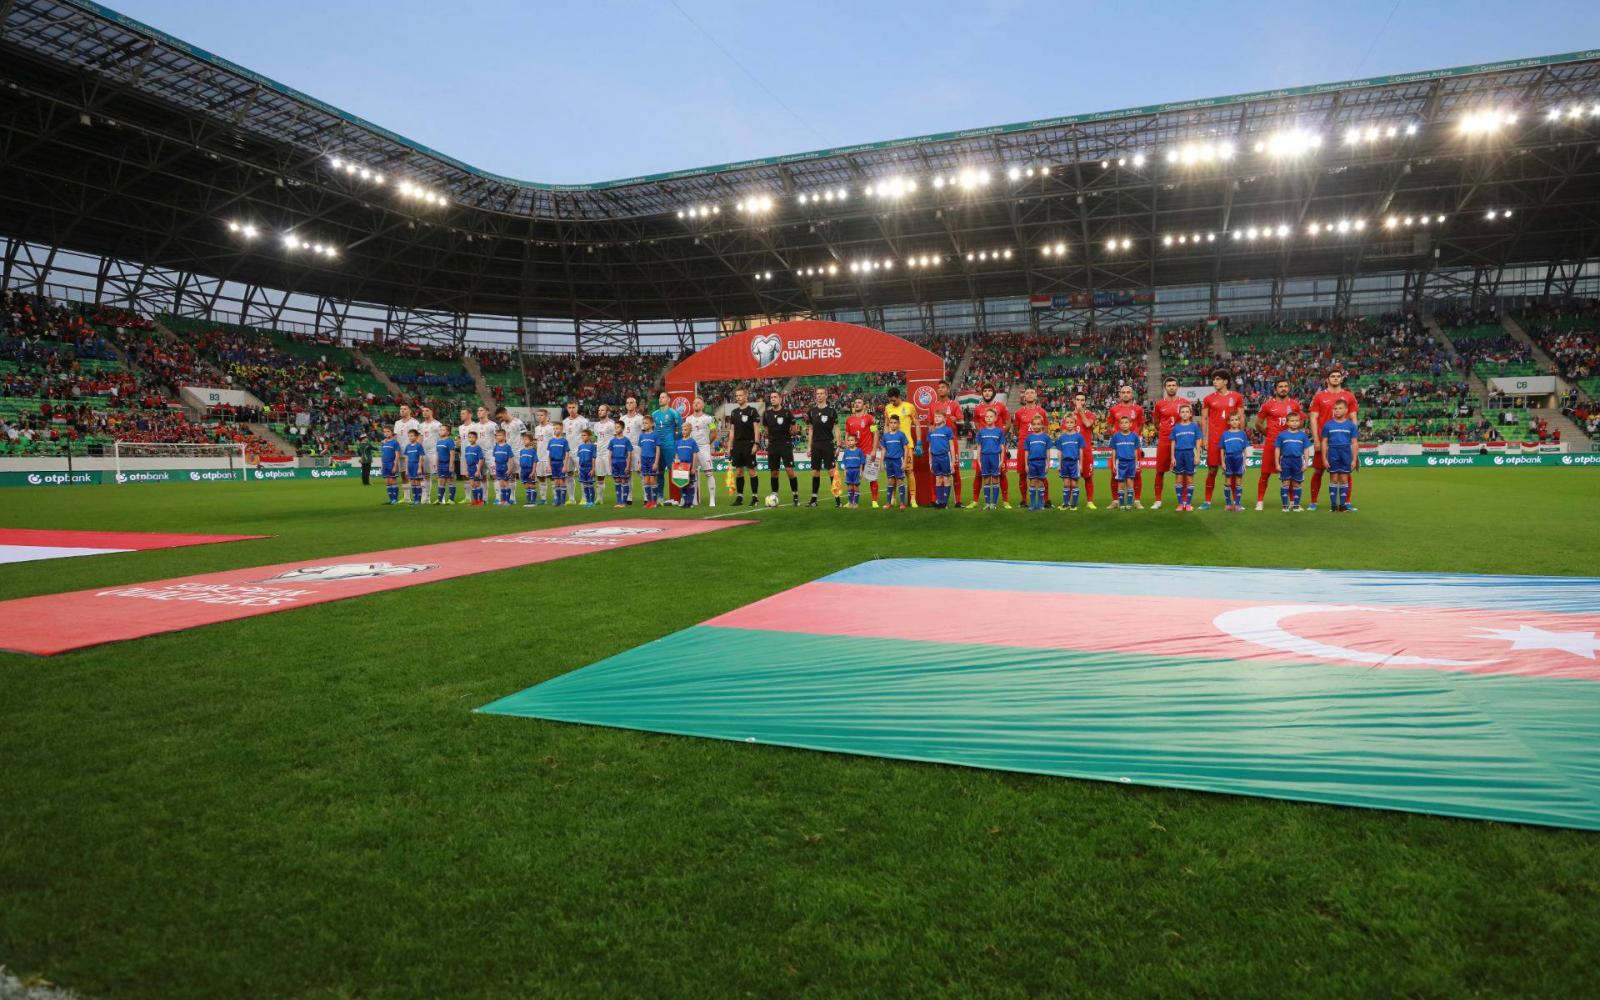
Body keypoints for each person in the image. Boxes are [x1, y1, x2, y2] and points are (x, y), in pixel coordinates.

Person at [1308, 368, 1359, 512]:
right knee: (1318, 471)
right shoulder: (1319, 396)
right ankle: (1313, 502)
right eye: (1332, 376)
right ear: (1327, 379)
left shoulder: (1349, 396)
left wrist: (1353, 439)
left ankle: (1346, 502)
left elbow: (1353, 418)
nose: (1335, 378)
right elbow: (1313, 418)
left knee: (1346, 472)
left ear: (1342, 379)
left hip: (1343, 442)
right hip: (1324, 441)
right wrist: (1316, 440)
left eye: (1338, 376)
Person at [1253, 379, 1304, 511]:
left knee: (1291, 473)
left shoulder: (1294, 404)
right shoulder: (1268, 405)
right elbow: (1258, 423)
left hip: (1290, 444)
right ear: (1275, 389)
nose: (1283, 388)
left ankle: (1292, 501)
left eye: (1286, 386)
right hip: (1272, 443)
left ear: (1289, 388)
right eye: (1280, 386)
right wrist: (1269, 434)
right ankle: (1260, 501)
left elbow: (1301, 421)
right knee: (1265, 473)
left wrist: (1292, 434)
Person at [1200, 371, 1244, 509]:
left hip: (1232, 439)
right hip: (1214, 439)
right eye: (1213, 379)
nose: (1214, 381)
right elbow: (1204, 419)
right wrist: (1204, 438)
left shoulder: (1237, 397)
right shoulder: (1208, 398)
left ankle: (1235, 502)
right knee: (1212, 470)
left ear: (1226, 381)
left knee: (1234, 472)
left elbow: (1241, 417)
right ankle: (1207, 501)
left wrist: (1241, 436)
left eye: (1218, 379)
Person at [1107, 385, 1147, 507]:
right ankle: (1115, 501)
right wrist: (1117, 436)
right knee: (1114, 473)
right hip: (1119, 446)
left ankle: (1137, 500)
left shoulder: (1138, 409)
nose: (1125, 394)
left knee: (1137, 473)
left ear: (1132, 394)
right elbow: (1109, 425)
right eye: (1123, 392)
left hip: (1132, 445)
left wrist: (1134, 436)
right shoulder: (1114, 409)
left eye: (1128, 392)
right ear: (1120, 394)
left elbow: (1141, 425)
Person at [970, 384, 1010, 505]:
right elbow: (976, 423)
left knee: (1002, 473)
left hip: (997, 445)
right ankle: (975, 501)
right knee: (979, 473)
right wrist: (983, 435)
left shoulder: (1001, 406)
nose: (987, 393)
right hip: (984, 446)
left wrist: (999, 435)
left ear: (993, 393)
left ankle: (1005, 501)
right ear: (982, 393)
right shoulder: (978, 408)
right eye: (985, 391)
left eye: (989, 390)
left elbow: (1008, 422)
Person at [1150, 378, 1185, 509]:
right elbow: (1156, 422)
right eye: (1169, 385)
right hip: (1164, 440)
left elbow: (1188, 421)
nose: (1171, 387)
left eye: (1173, 385)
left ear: (1177, 387)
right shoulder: (1159, 404)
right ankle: (1158, 500)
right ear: (1165, 388)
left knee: (1182, 472)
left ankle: (1183, 501)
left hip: (1181, 441)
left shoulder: (1184, 402)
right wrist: (1165, 431)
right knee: (1160, 471)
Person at [722, 388, 761, 505]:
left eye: (740, 395)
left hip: (749, 444)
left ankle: (755, 497)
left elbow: (756, 428)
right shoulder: (734, 412)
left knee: (751, 471)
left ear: (746, 396)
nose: (738, 397)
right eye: (736, 395)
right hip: (737, 445)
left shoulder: (752, 411)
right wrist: (729, 445)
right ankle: (739, 498)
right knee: (739, 471)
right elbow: (732, 430)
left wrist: (756, 443)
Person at [760, 391, 799, 505]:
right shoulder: (766, 414)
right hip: (773, 445)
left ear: (780, 399)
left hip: (785, 444)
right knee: (774, 472)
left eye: (775, 397)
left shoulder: (787, 413)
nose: (773, 399)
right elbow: (766, 430)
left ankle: (795, 495)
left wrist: (791, 433)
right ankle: (774, 495)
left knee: (789, 470)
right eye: (771, 397)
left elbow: (794, 430)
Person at [1011, 387, 1048, 507]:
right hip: (1023, 446)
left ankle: (1046, 500)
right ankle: (1024, 500)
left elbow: (1045, 429)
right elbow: (1016, 429)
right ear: (1024, 397)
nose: (1030, 394)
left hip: (1038, 446)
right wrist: (1025, 439)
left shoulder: (1042, 412)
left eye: (1032, 392)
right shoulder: (1018, 413)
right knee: (1022, 474)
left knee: (1042, 475)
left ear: (1036, 396)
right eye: (1027, 393)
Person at [1320, 399, 1358, 513]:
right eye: (1335, 408)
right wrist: (1324, 458)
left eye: (1340, 408)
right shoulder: (1328, 425)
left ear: (1346, 410)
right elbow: (1324, 442)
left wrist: (1354, 459)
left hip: (1346, 452)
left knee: (1344, 479)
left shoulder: (1351, 425)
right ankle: (1333, 505)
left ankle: (1342, 505)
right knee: (1334, 478)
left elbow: (1355, 443)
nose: (1337, 410)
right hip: (1333, 452)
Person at [929, 380, 965, 503]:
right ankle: (936, 499)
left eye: (943, 387)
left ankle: (957, 500)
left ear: (948, 390)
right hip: (937, 443)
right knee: (936, 473)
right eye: (939, 387)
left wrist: (956, 420)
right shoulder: (933, 406)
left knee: (955, 470)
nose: (940, 389)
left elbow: (962, 421)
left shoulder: (954, 405)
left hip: (951, 442)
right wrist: (931, 431)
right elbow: (930, 424)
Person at [805, 387, 842, 508]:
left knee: (832, 471)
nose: (819, 396)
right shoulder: (812, 412)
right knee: (815, 471)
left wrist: (839, 444)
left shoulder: (831, 411)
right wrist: (809, 446)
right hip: (816, 444)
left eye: (821, 394)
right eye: (817, 394)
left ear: (826, 395)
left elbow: (836, 428)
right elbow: (810, 429)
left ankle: (837, 499)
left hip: (828, 444)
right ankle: (814, 499)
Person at [883, 387, 918, 508]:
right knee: (892, 475)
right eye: (890, 400)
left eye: (893, 400)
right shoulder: (887, 408)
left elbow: (917, 423)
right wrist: (885, 440)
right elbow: (886, 425)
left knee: (909, 471)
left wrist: (919, 442)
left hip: (906, 446)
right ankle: (893, 498)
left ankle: (912, 499)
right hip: (892, 446)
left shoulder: (909, 406)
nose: (892, 402)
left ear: (899, 397)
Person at [844, 397, 881, 507]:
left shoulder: (870, 418)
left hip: (868, 451)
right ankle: (851, 501)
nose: (857, 404)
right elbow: (847, 434)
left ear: (864, 406)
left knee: (872, 477)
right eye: (855, 402)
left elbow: (876, 434)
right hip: (854, 453)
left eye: (859, 402)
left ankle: (874, 501)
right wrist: (847, 447)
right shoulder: (849, 419)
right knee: (851, 479)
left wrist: (874, 450)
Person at [1273, 412, 1313, 511]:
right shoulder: (1282, 435)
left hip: (1298, 461)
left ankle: (1296, 506)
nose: (1294, 423)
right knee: (1285, 483)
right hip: (1285, 461)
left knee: (1297, 484)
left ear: (1299, 422)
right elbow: (1277, 449)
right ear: (1287, 422)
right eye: (1292, 421)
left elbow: (1306, 450)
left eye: (1296, 421)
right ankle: (1285, 506)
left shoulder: (1303, 435)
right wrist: (1277, 464)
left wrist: (1306, 463)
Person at [682, 397, 716, 507]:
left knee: (709, 473)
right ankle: (694, 500)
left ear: (703, 405)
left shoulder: (709, 419)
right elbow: (686, 433)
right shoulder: (688, 419)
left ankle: (712, 500)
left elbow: (714, 432)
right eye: (694, 402)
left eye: (698, 403)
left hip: (703, 448)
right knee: (693, 473)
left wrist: (707, 443)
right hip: (692, 449)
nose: (696, 404)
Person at [1067, 391, 1099, 510]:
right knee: (1070, 479)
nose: (1080, 402)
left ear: (1085, 402)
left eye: (1082, 400)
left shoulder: (1090, 414)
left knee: (1088, 477)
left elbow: (1087, 424)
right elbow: (1064, 433)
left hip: (1086, 452)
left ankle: (1090, 501)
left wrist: (1081, 412)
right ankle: (1068, 502)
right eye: (1078, 399)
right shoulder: (1069, 416)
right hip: (1072, 452)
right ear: (1074, 401)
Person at [1168, 404, 1202, 511]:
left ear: (1191, 414)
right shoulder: (1176, 428)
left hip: (1190, 454)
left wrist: (1198, 455)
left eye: (1187, 411)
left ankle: (1188, 503)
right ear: (1179, 414)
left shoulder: (1194, 427)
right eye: (1183, 412)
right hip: (1178, 454)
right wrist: (1172, 457)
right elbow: (1173, 443)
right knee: (1178, 479)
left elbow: (1198, 441)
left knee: (1189, 479)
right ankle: (1180, 503)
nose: (1185, 414)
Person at [651, 392, 682, 500]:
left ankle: (682, 497)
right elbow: (651, 430)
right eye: (659, 397)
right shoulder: (654, 414)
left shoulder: (674, 413)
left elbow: (680, 429)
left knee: (675, 471)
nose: (660, 399)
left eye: (663, 397)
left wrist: (675, 442)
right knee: (659, 472)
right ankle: (660, 497)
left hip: (670, 446)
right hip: (658, 447)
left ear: (668, 399)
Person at [975, 408, 1006, 510]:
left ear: (995, 418)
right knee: (986, 479)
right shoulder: (981, 432)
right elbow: (979, 446)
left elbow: (1002, 447)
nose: (988, 418)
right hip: (984, 457)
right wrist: (978, 459)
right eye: (987, 416)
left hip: (995, 457)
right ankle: (987, 503)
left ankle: (994, 504)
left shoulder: (999, 431)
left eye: (991, 416)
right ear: (984, 418)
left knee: (995, 479)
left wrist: (1002, 460)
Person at [1108, 416, 1142, 511]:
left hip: (1131, 462)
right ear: (1119, 425)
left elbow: (1136, 451)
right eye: (1122, 423)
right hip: (1120, 463)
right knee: (1121, 484)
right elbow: (1114, 450)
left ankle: (1129, 504)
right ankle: (1122, 504)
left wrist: (1136, 463)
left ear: (1130, 424)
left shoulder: (1134, 436)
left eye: (1126, 422)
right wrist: (1113, 463)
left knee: (1130, 483)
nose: (1124, 424)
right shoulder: (1116, 436)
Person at [1219, 412, 1251, 512]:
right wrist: (1222, 462)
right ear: (1228, 422)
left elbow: (1245, 449)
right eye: (1232, 420)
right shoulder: (1225, 434)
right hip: (1228, 458)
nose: (1234, 422)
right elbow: (1222, 449)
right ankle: (1228, 504)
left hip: (1239, 458)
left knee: (1238, 480)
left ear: (1239, 421)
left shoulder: (1242, 434)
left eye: (1236, 420)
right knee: (1228, 481)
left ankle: (1237, 504)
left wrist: (1245, 462)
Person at [926, 410, 957, 509]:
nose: (936, 418)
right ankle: (939, 501)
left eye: (939, 417)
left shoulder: (948, 430)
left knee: (946, 479)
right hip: (935, 458)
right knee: (938, 479)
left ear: (944, 419)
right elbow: (930, 447)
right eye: (935, 417)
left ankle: (945, 502)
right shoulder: (931, 431)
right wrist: (930, 461)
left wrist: (953, 461)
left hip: (945, 457)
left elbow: (951, 446)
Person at [878, 414, 911, 509]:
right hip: (889, 461)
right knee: (890, 481)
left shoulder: (901, 435)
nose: (893, 424)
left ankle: (902, 503)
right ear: (889, 424)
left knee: (900, 480)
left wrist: (904, 462)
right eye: (891, 422)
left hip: (898, 461)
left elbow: (906, 449)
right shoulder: (886, 436)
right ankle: (888, 503)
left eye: (895, 423)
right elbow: (883, 450)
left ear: (898, 424)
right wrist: (881, 462)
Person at [1054, 418, 1085, 511]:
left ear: (1075, 424)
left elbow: (1081, 451)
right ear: (1064, 424)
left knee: (1074, 484)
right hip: (1064, 463)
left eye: (1071, 422)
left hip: (1074, 463)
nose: (1069, 424)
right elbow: (1059, 452)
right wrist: (1059, 464)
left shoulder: (1079, 436)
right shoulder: (1061, 437)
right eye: (1067, 422)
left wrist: (1081, 464)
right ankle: (1066, 504)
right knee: (1066, 484)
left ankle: (1074, 505)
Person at [1022, 414, 1052, 511]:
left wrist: (1047, 463)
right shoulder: (1029, 438)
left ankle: (1040, 504)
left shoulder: (1046, 437)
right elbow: (1026, 452)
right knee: (1032, 482)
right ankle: (1033, 504)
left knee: (1041, 482)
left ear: (1042, 425)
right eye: (1034, 424)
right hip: (1032, 463)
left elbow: (1048, 451)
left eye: (1038, 424)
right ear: (1031, 425)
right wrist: (1026, 464)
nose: (1036, 426)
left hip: (1042, 462)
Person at [417, 406, 444, 503]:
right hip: (424, 453)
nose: (424, 412)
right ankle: (426, 498)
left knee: (439, 475)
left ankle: (441, 498)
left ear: (432, 412)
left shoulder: (437, 424)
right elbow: (420, 439)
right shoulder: (420, 425)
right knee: (426, 475)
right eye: (423, 411)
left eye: (427, 410)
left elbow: (442, 438)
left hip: (434, 452)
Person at [589, 404, 615, 502]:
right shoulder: (596, 425)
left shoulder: (611, 424)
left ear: (607, 412)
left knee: (615, 476)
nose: (600, 412)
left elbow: (616, 438)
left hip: (609, 454)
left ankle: (621, 498)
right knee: (600, 476)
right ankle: (599, 498)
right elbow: (597, 439)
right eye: (599, 410)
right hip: (599, 453)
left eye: (602, 410)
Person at [532, 409, 557, 505]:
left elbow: (555, 441)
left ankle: (556, 498)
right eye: (538, 415)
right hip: (539, 456)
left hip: (548, 457)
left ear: (546, 416)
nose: (539, 417)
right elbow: (537, 442)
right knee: (541, 477)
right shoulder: (537, 428)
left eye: (541, 415)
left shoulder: (551, 428)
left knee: (552, 477)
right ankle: (543, 499)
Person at [606, 429, 634, 508]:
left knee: (624, 481)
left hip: (623, 463)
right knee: (617, 481)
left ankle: (624, 502)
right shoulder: (612, 441)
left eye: (618, 427)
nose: (616, 429)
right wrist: (610, 465)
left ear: (622, 429)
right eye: (615, 427)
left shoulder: (626, 440)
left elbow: (629, 454)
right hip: (615, 463)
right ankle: (619, 501)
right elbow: (610, 454)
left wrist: (628, 466)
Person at [638, 414, 660, 508]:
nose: (644, 425)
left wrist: (656, 462)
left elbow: (658, 450)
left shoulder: (655, 435)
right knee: (646, 481)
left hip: (652, 460)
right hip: (644, 460)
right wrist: (639, 462)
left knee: (652, 481)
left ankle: (654, 502)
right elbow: (640, 449)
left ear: (652, 424)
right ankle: (649, 501)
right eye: (643, 423)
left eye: (646, 423)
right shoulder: (641, 436)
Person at [673, 433, 700, 508]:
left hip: (690, 465)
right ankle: (686, 502)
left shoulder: (692, 441)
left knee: (690, 484)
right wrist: (676, 462)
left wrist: (693, 467)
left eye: (685, 429)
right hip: (681, 467)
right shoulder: (677, 442)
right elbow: (676, 454)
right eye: (683, 430)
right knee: (683, 484)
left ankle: (690, 502)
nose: (684, 431)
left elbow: (695, 455)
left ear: (690, 431)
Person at [840, 434, 867, 508]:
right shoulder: (846, 451)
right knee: (849, 487)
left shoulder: (859, 451)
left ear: (856, 442)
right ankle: (850, 502)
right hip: (848, 471)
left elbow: (862, 462)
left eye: (852, 440)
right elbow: (844, 462)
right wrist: (844, 471)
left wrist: (861, 471)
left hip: (856, 470)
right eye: (848, 440)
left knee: (855, 486)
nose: (850, 442)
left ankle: (856, 503)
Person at [546, 428, 571, 507]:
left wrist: (565, 465)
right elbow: (548, 454)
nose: (555, 430)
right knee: (556, 482)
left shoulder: (564, 441)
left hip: (561, 463)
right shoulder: (551, 441)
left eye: (557, 428)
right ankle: (558, 500)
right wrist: (549, 465)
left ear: (561, 430)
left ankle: (563, 502)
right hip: (553, 463)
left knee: (562, 481)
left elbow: (567, 454)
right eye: (554, 429)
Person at [491, 429, 515, 506]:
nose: (498, 437)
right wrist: (495, 468)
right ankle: (503, 500)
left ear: (504, 437)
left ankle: (507, 501)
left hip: (505, 468)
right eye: (497, 435)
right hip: (498, 468)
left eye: (500, 435)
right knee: (501, 484)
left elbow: (510, 458)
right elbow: (495, 459)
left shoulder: (507, 447)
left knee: (506, 484)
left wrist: (509, 469)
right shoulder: (496, 447)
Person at [434, 427, 458, 504]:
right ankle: (440, 500)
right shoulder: (439, 442)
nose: (441, 431)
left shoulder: (450, 441)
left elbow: (452, 454)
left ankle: (451, 500)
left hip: (447, 463)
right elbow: (437, 454)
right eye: (440, 430)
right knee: (441, 481)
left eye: (443, 430)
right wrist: (436, 464)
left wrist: (451, 464)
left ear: (448, 432)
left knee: (450, 481)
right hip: (440, 464)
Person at [575, 429, 598, 507]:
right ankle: (587, 501)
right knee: (585, 485)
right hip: (582, 468)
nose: (582, 437)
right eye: (582, 435)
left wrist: (593, 469)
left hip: (589, 468)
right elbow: (579, 458)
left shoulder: (592, 446)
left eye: (584, 435)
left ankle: (592, 502)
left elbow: (593, 458)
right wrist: (578, 469)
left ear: (589, 436)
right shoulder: (580, 446)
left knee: (590, 485)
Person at [403, 429, 426, 505]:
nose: (410, 437)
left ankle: (418, 500)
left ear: (416, 437)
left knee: (417, 482)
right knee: (412, 482)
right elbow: (406, 458)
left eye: (412, 436)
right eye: (409, 436)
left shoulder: (419, 446)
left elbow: (421, 457)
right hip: (410, 466)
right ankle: (414, 499)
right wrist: (406, 469)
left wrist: (419, 468)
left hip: (416, 466)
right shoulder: (408, 446)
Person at [463, 431, 485, 506]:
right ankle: (475, 501)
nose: (471, 439)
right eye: (469, 437)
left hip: (476, 468)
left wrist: (478, 470)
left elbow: (481, 459)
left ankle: (480, 501)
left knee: (477, 484)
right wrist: (466, 470)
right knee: (472, 484)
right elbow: (466, 460)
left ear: (476, 438)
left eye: (473, 437)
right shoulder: (467, 448)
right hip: (470, 468)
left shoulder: (478, 448)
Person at [379, 427, 401, 505]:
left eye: (388, 431)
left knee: (393, 481)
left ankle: (395, 499)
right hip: (385, 464)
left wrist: (395, 465)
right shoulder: (383, 443)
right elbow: (383, 454)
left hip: (392, 464)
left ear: (392, 432)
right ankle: (390, 499)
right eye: (385, 432)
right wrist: (382, 465)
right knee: (387, 482)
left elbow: (397, 455)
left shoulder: (395, 443)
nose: (386, 433)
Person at [518, 431, 538, 507]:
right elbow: (521, 461)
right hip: (523, 471)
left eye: (526, 439)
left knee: (531, 485)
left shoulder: (533, 451)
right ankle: (529, 500)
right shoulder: (522, 451)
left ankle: (533, 501)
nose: (524, 441)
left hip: (530, 470)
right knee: (526, 486)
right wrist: (520, 471)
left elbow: (535, 461)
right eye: (523, 439)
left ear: (531, 441)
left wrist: (533, 471)